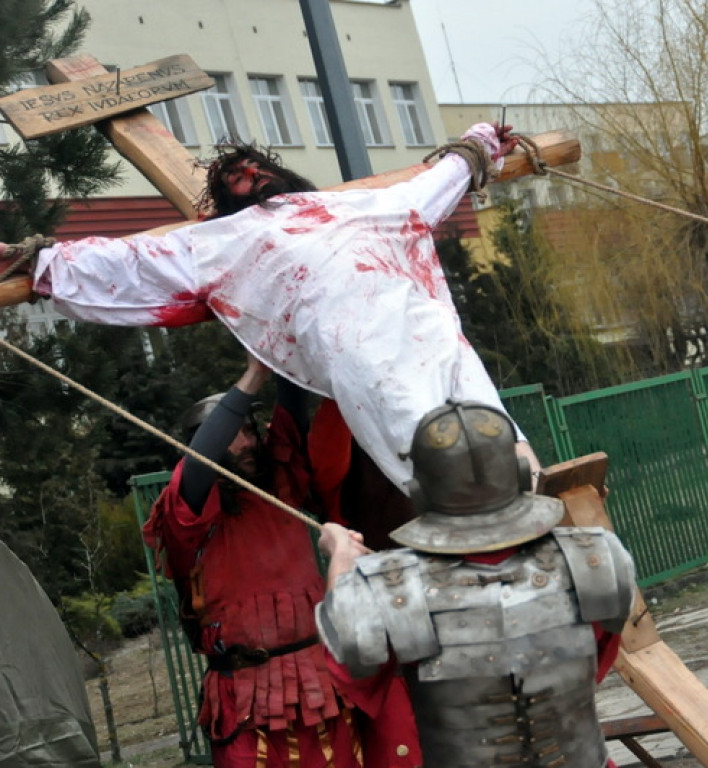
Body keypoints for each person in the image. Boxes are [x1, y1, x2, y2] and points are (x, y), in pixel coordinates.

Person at [0, 121, 541, 489]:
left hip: (430, 332)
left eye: (253, 166)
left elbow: (439, 181)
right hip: (360, 354)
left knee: (498, 434)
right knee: (424, 446)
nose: (251, 175)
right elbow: (129, 263)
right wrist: (38, 260)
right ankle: (473, 540)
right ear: (226, 201)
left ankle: (537, 510)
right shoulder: (223, 240)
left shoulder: (360, 205)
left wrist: (479, 142)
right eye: (235, 178)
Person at [314, 401, 635, 768]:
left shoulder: (389, 587)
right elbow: (594, 665)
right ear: (519, 475)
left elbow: (352, 673)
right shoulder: (591, 557)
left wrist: (341, 559)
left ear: (419, 494)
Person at [142, 354, 420, 768]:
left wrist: (282, 352)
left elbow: (291, 412)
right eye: (233, 434)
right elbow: (198, 467)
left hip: (319, 687)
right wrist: (255, 373)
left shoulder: (282, 486)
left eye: (249, 430)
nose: (248, 442)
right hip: (244, 699)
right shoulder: (187, 515)